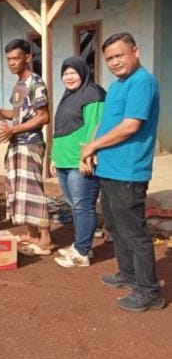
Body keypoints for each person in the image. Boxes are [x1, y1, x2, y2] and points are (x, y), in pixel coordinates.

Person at [81, 32, 164, 312]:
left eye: (119, 55)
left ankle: (149, 292)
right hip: (111, 167)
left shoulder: (142, 82)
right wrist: (92, 149)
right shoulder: (118, 85)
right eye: (109, 58)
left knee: (133, 231)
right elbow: (107, 124)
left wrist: (92, 146)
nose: (115, 62)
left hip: (129, 170)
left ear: (135, 51)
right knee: (116, 226)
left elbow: (130, 126)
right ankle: (128, 275)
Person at [0, 39, 52, 255]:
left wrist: (13, 130)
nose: (12, 63)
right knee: (21, 191)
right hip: (16, 144)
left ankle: (45, 239)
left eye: (16, 58)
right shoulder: (19, 86)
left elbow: (43, 117)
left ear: (27, 57)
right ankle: (32, 234)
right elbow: (17, 115)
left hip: (30, 144)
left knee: (33, 190)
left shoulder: (36, 83)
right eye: (8, 59)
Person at [50, 57, 106, 268]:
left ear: (83, 73)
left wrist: (86, 155)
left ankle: (81, 253)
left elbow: (95, 126)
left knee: (83, 206)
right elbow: (61, 130)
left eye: (73, 72)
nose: (69, 77)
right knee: (75, 205)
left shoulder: (93, 93)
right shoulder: (68, 97)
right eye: (65, 73)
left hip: (80, 161)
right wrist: (53, 157)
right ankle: (83, 244)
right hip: (64, 160)